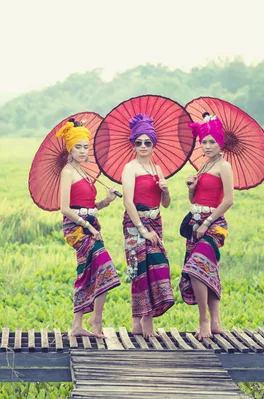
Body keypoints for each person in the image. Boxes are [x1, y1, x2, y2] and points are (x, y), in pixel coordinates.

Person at [57, 118, 121, 338]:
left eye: (86, 147)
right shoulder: (67, 172)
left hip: (92, 225)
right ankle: (96, 317)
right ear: (70, 148)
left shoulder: (85, 172)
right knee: (106, 267)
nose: (83, 151)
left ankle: (77, 325)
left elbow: (90, 207)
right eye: (78, 147)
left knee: (85, 271)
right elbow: (65, 208)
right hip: (77, 229)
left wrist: (107, 200)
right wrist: (88, 228)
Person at [179, 112, 234, 340]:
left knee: (196, 267)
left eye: (212, 141)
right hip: (195, 224)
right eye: (204, 142)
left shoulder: (224, 166)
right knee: (208, 270)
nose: (208, 145)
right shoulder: (202, 167)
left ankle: (204, 321)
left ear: (220, 143)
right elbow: (195, 201)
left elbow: (229, 199)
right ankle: (215, 322)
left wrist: (208, 222)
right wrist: (191, 188)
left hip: (213, 225)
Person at [121, 113, 175, 338]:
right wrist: (142, 230)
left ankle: (142, 318)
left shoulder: (158, 169)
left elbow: (166, 204)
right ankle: (142, 320)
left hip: (156, 220)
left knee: (158, 265)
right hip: (135, 224)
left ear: (154, 145)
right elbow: (127, 202)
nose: (143, 146)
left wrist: (166, 190)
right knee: (139, 270)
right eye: (138, 142)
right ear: (134, 144)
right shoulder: (129, 168)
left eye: (147, 142)